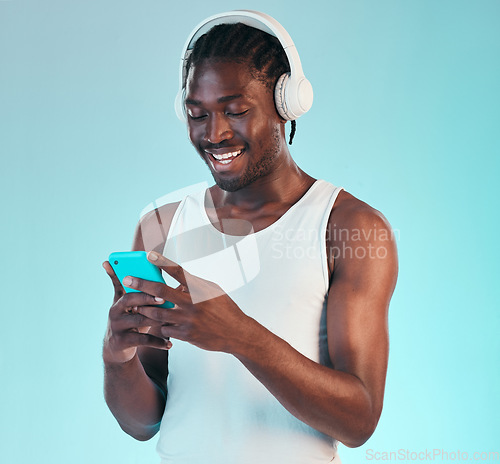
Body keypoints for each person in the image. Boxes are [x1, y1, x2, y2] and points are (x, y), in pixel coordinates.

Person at [102, 11, 398, 464]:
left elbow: (358, 420)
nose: (215, 134)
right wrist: (116, 357)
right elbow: (144, 423)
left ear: (286, 103)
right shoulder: (160, 225)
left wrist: (238, 334)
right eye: (197, 115)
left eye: (235, 111)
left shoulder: (348, 226)